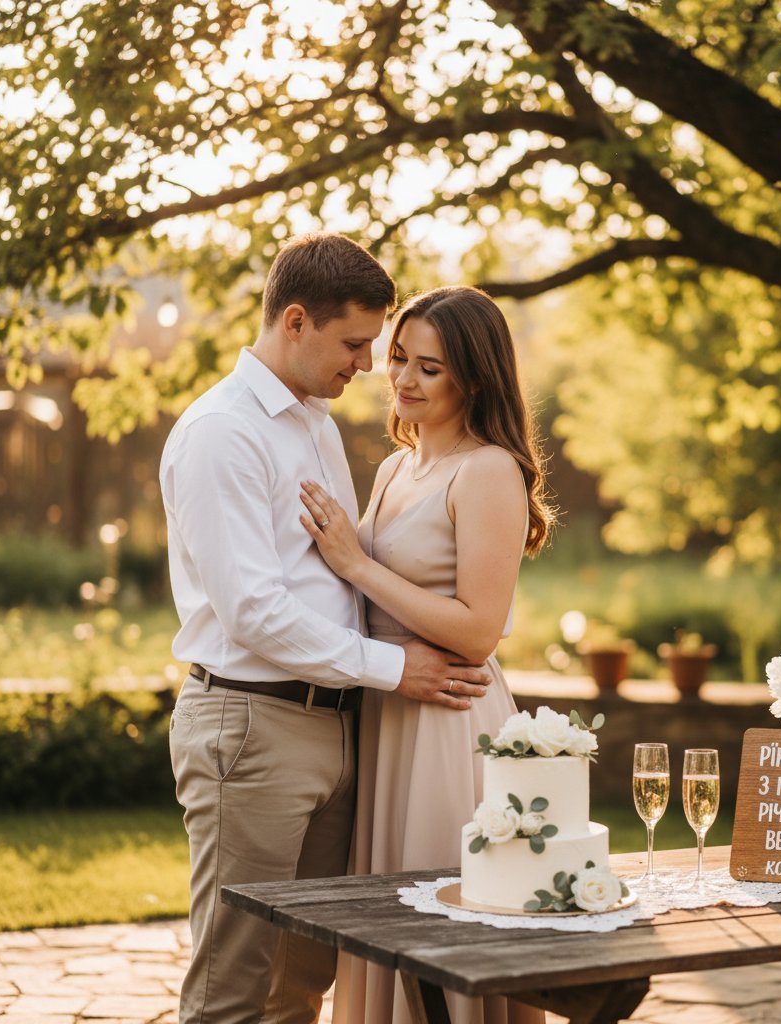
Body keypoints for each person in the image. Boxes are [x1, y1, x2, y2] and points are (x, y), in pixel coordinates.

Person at [160, 235, 490, 1024]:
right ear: (297, 322)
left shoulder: (312, 421)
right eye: (356, 344)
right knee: (232, 984)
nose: (370, 366)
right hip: (252, 726)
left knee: (303, 981)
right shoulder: (223, 433)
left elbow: (338, 572)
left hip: (336, 725)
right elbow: (253, 611)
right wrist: (390, 667)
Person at [296, 285, 553, 1024]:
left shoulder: (488, 471)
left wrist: (356, 563)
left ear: (473, 377)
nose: (403, 378)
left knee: (446, 929)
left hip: (450, 724)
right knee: (387, 919)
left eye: (429, 368)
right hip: (389, 714)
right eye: (400, 358)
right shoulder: (394, 469)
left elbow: (479, 629)